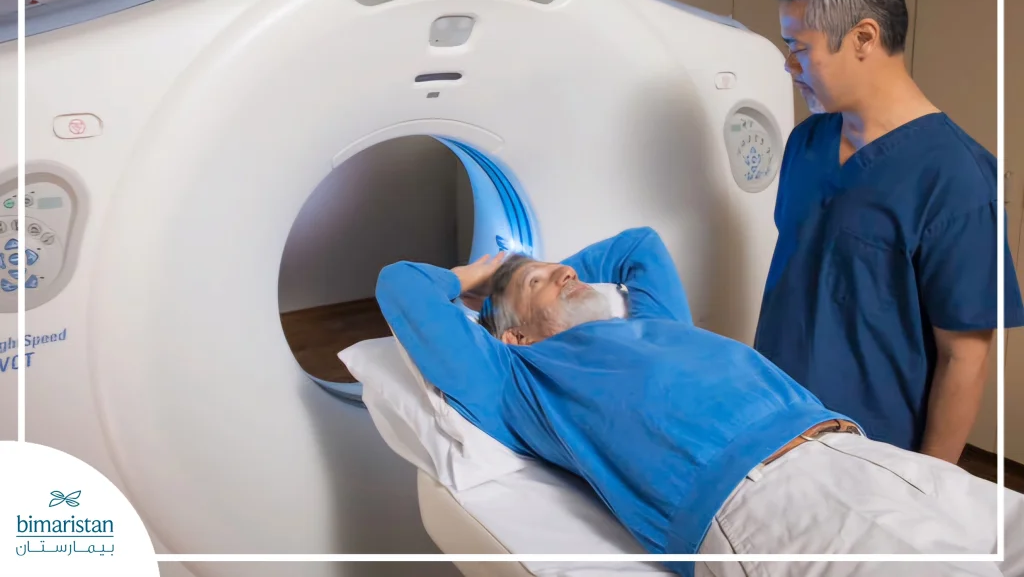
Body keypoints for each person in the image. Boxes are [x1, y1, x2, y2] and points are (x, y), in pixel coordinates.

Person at [375, 227, 1023, 577]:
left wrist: (541, 274)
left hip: (853, 449)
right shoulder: (522, 379)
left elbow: (640, 246)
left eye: (559, 268)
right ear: (514, 336)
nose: (566, 272)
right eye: (541, 283)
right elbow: (400, 287)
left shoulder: (654, 323)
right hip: (762, 500)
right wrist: (488, 276)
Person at [755, 0, 1024, 462]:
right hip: (773, 427)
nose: (789, 65)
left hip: (872, 454)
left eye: (799, 48)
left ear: (863, 38)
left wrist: (923, 488)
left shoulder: (957, 178)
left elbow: (963, 359)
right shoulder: (807, 142)